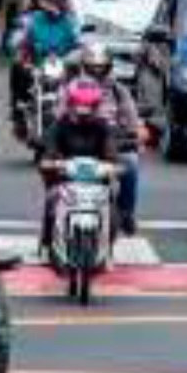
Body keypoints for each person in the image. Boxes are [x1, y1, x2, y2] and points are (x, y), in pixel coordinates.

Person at [37, 78, 122, 258]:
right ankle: (46, 243)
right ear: (70, 104)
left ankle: (107, 249)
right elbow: (49, 150)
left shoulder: (104, 127)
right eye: (78, 105)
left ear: (96, 106)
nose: (83, 112)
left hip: (98, 182)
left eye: (89, 106)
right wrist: (51, 163)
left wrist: (114, 165)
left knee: (113, 208)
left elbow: (112, 152)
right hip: (65, 180)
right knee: (52, 199)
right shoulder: (59, 125)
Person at [74, 41, 147, 236]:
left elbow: (132, 117)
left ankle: (126, 213)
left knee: (131, 164)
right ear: (84, 66)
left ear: (108, 67)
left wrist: (137, 132)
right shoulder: (71, 87)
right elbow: (58, 116)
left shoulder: (118, 90)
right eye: (93, 67)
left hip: (111, 147)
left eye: (101, 67)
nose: (97, 72)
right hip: (78, 146)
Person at [7, 0, 80, 136]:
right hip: (37, 64)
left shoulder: (70, 20)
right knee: (17, 68)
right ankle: (19, 112)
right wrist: (16, 45)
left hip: (63, 65)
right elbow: (16, 39)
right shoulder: (31, 19)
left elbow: (79, 40)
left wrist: (79, 51)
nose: (53, 3)